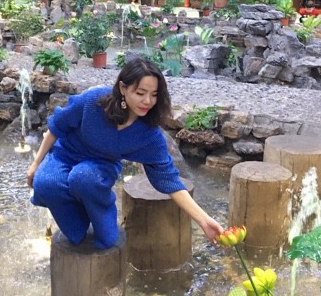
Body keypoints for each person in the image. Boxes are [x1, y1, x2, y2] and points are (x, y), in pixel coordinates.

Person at [27, 57, 224, 249]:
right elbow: (57, 126)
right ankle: (78, 223)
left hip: (100, 166)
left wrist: (203, 220)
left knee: (85, 181)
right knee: (45, 184)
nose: (147, 101)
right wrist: (36, 164)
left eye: (154, 94)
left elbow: (168, 180)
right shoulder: (94, 102)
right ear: (123, 88)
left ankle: (103, 216)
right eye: (140, 93)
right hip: (65, 154)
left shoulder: (148, 135)